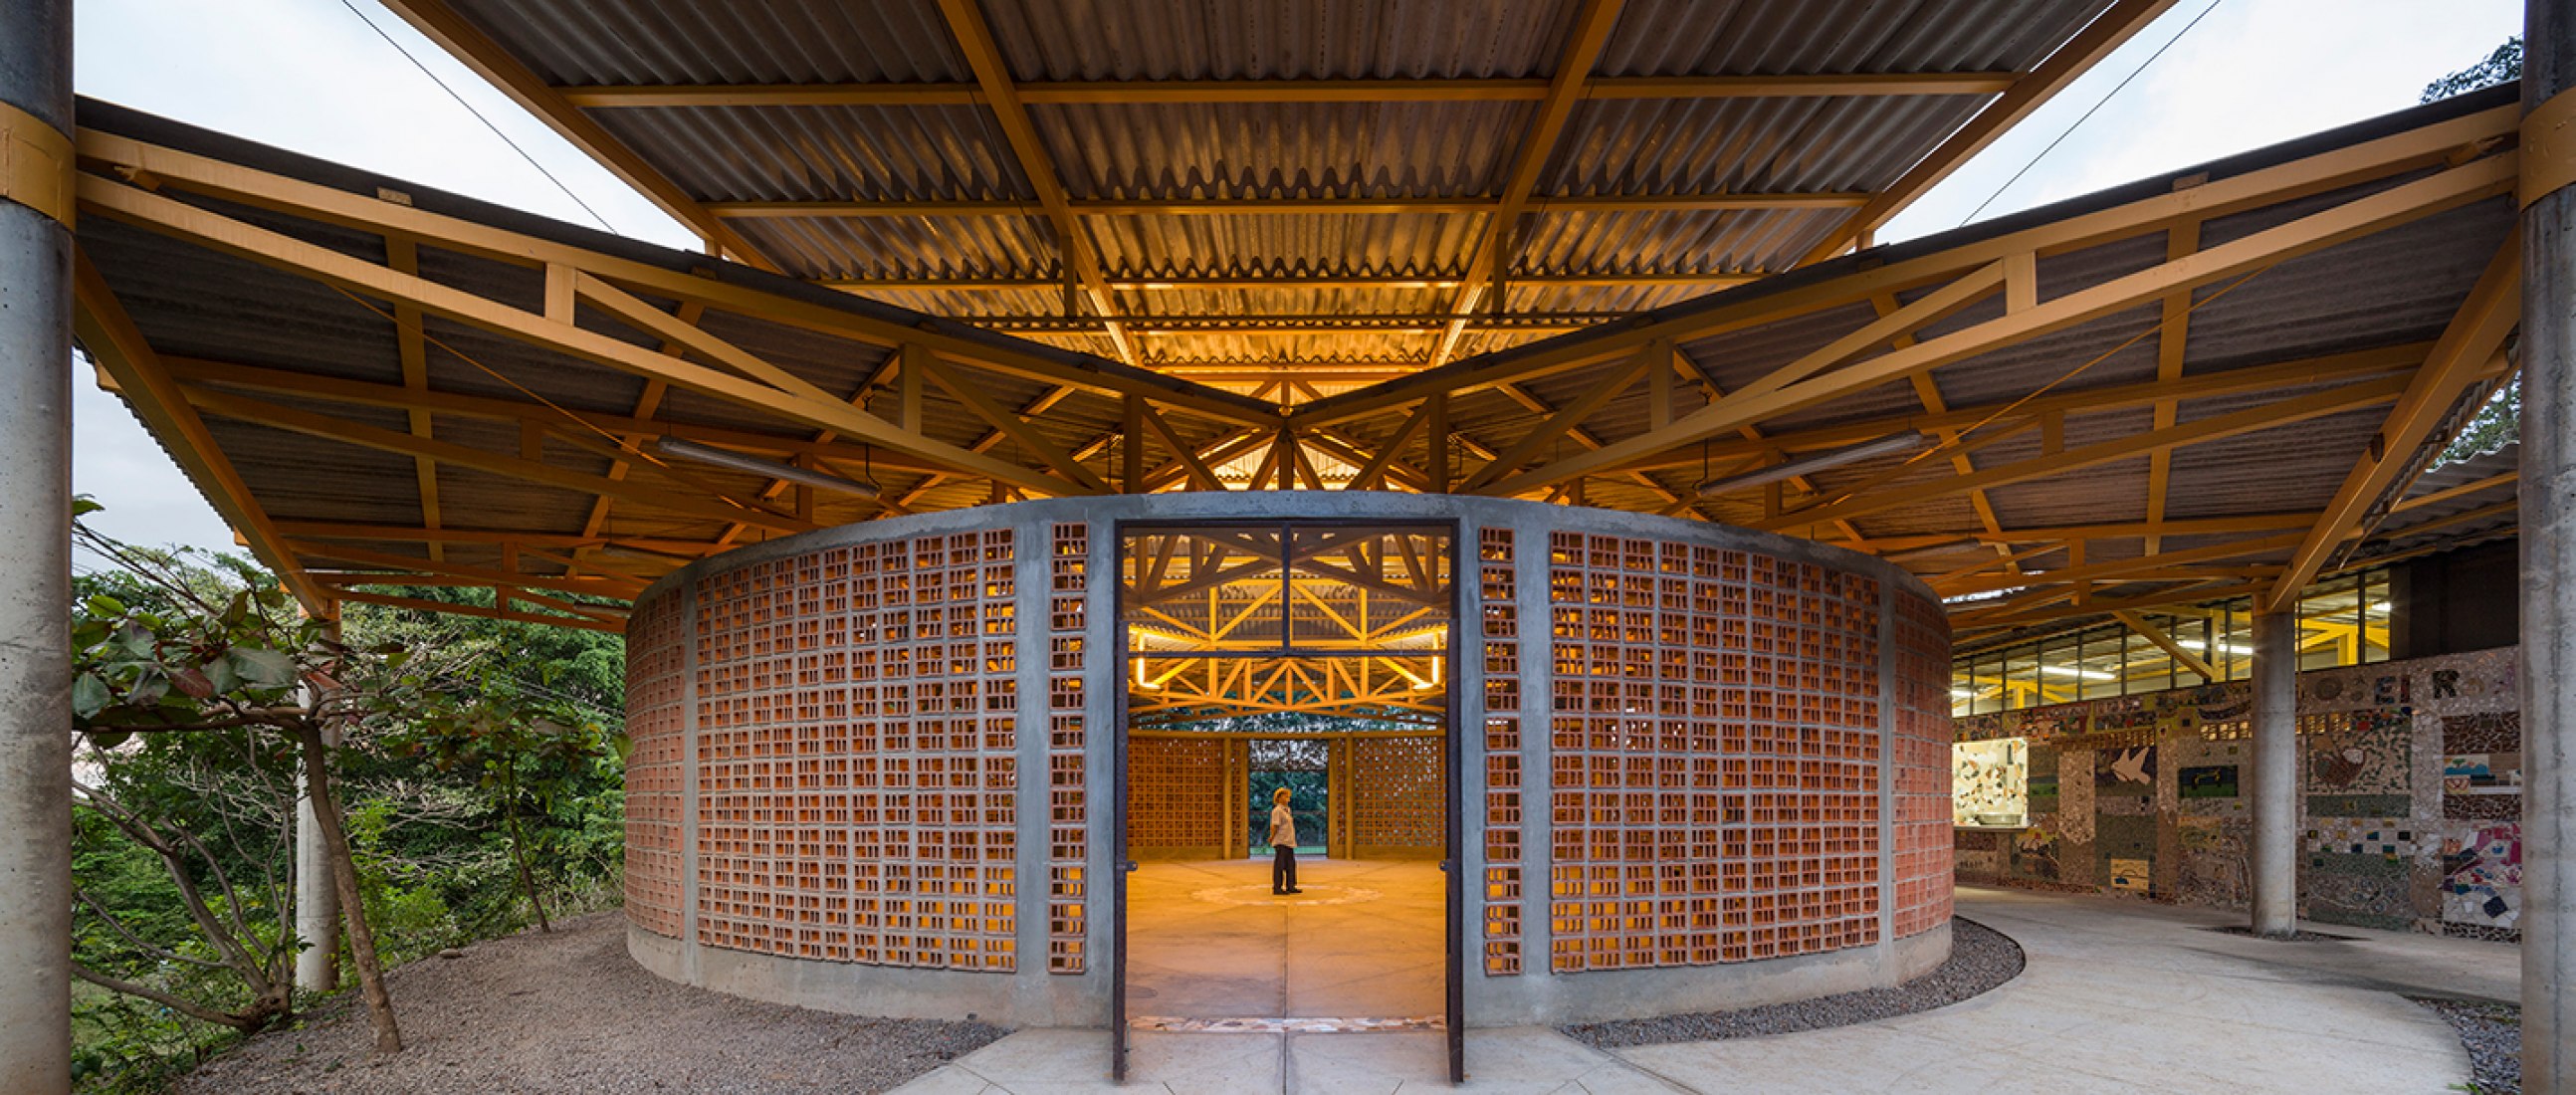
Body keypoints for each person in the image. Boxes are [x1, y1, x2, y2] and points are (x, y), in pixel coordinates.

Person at [1268, 786, 1302, 895]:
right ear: (1279, 798)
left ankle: (1290, 885)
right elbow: (1275, 825)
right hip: (1281, 841)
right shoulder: (1277, 811)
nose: (1288, 798)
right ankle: (1277, 887)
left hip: (1289, 841)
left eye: (1288, 796)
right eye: (1285, 796)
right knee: (1280, 865)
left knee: (1290, 865)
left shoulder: (1287, 810)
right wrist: (1272, 837)